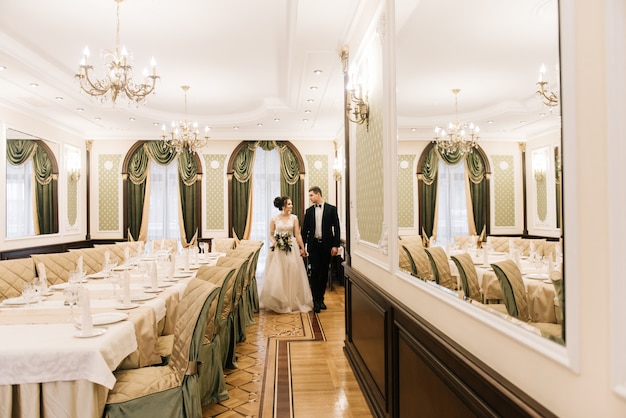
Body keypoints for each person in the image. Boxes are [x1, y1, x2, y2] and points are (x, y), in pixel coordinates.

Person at [259, 196, 313, 313]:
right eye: (289, 204)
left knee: (292, 271)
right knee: (279, 273)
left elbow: (297, 234)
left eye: (291, 203)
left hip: (291, 247)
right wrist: (274, 242)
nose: (291, 206)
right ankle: (280, 301)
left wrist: (303, 248)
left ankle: (292, 300)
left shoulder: (294, 218)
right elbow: (270, 234)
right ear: (283, 206)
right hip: (279, 249)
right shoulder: (274, 219)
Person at [301, 186, 341, 313]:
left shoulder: (331, 209)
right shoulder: (309, 211)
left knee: (324, 272)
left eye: (311, 195)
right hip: (314, 246)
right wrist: (302, 247)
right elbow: (304, 231)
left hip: (326, 246)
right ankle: (315, 300)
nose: (310, 197)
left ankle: (321, 299)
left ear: (318, 194)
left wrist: (335, 246)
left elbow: (337, 228)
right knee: (315, 272)